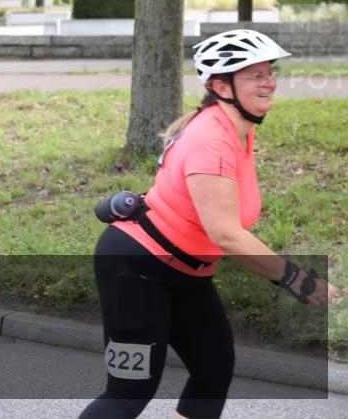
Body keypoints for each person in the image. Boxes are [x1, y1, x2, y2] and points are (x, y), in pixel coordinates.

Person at [79, 29, 338, 419]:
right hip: (135, 272)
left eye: (270, 72)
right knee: (129, 392)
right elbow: (226, 235)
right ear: (221, 86)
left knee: (213, 370)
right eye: (255, 75)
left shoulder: (233, 130)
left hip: (185, 273)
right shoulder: (210, 140)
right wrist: (297, 280)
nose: (269, 83)